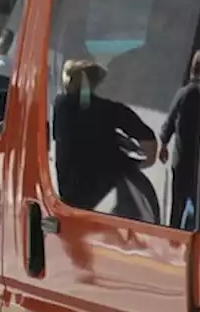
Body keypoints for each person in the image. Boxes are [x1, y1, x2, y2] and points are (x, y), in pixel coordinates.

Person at [52, 59, 160, 222]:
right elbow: (149, 143)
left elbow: (75, 138)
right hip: (107, 196)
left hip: (71, 196)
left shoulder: (60, 106)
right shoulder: (111, 110)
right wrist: (139, 163)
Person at [159, 50, 200, 229]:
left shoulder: (182, 93)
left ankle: (174, 242)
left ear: (191, 70)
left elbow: (170, 121)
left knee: (177, 206)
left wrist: (164, 144)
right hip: (198, 162)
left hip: (181, 160)